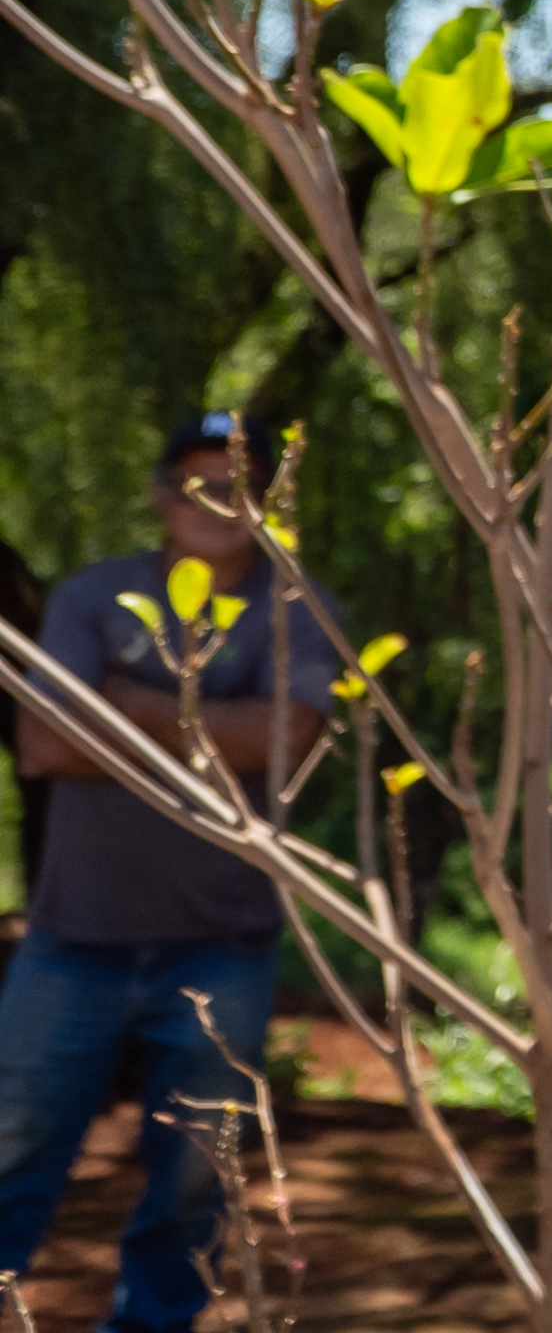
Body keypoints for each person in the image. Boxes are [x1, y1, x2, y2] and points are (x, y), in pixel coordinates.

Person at [0, 413, 343, 1333]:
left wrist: (124, 709)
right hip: (73, 938)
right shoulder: (91, 598)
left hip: (222, 944)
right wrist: (207, 731)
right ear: (161, 497)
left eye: (239, 482)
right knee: (12, 1143)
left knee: (198, 1176)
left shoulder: (298, 610)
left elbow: (289, 736)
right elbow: (42, 743)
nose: (217, 502)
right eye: (197, 480)